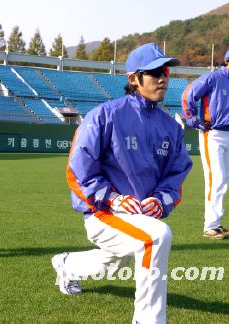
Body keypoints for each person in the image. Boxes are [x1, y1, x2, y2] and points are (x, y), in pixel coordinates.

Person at [51, 43, 192, 323]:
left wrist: (161, 199)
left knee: (113, 260)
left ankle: (67, 265)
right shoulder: (105, 115)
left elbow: (176, 175)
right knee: (155, 237)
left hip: (139, 214)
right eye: (154, 72)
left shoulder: (171, 127)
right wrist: (111, 198)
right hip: (104, 212)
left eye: (165, 71)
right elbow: (77, 170)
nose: (163, 77)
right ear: (133, 79)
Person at [181, 48, 229, 239]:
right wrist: (193, 120)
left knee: (224, 181)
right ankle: (210, 226)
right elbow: (188, 95)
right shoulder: (212, 78)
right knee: (215, 179)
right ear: (227, 60)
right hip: (213, 133)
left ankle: (216, 224)